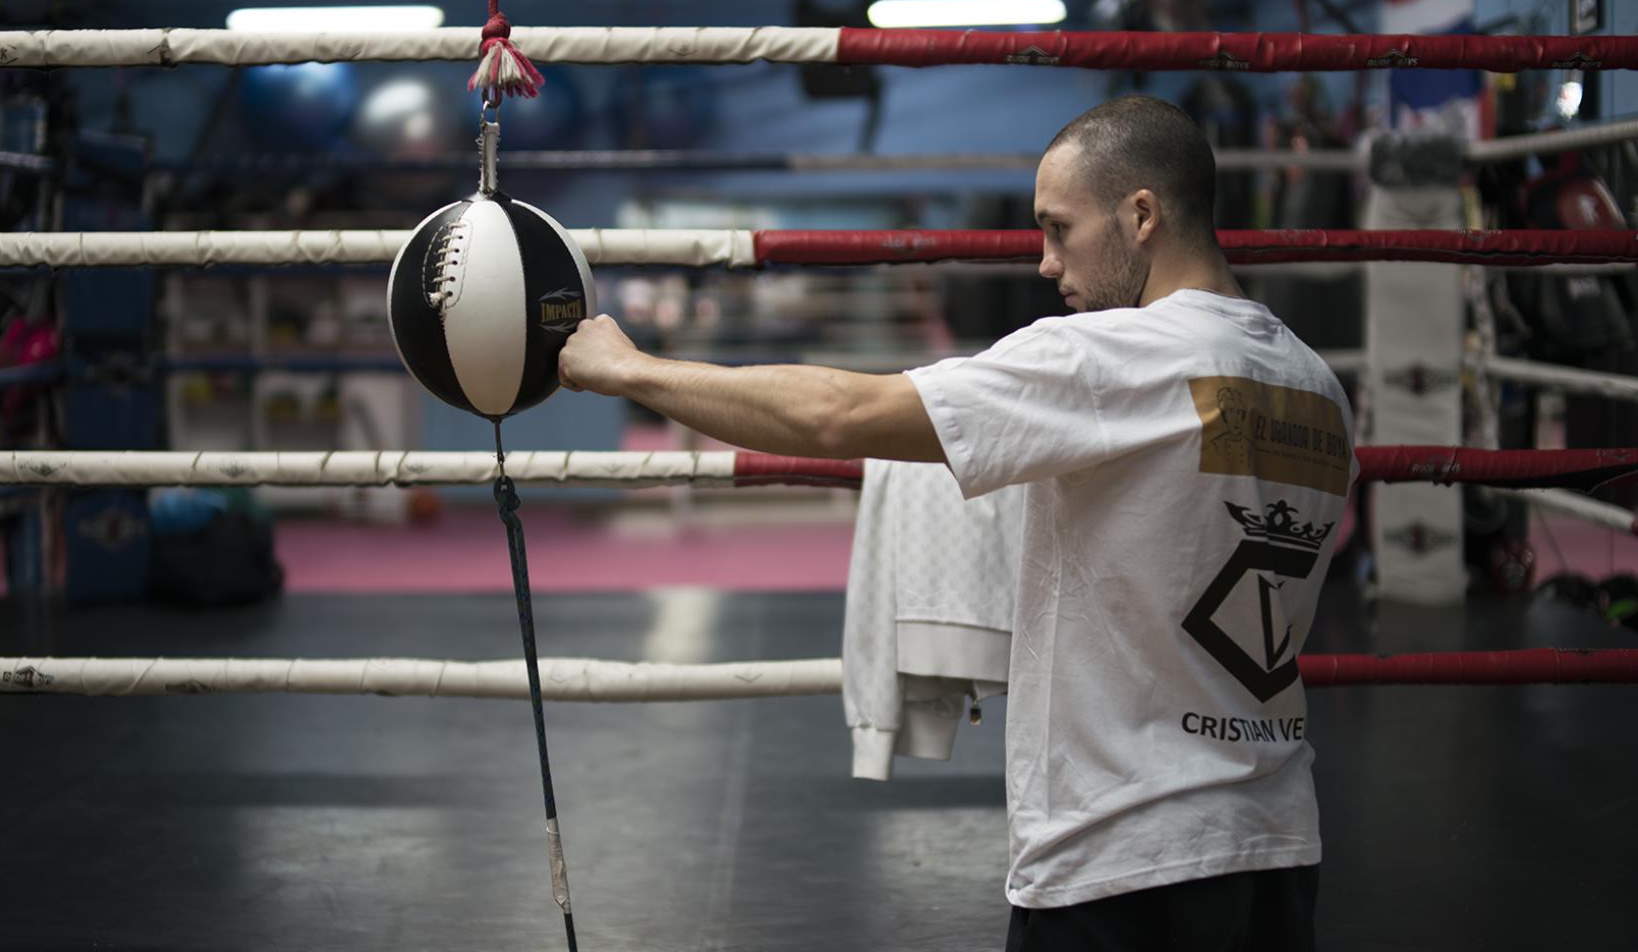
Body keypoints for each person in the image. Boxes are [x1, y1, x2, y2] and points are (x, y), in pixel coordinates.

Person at [559, 94, 1355, 951]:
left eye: (1060, 228)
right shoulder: (1312, 384)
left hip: (1124, 851)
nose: (1047, 264)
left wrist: (631, 368)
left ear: (1141, 216)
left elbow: (837, 414)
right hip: (1276, 846)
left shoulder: (1108, 358)